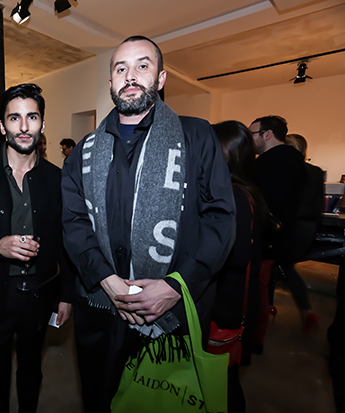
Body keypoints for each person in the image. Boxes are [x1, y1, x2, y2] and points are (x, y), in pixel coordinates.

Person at [61, 35, 236, 412]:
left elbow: (221, 218)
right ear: (110, 82)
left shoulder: (197, 136)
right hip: (101, 311)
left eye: (142, 66)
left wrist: (178, 285)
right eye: (120, 68)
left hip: (172, 315)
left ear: (160, 78)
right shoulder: (82, 152)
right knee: (100, 400)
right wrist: (107, 281)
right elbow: (73, 223)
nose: (130, 75)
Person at [0, 83, 73, 413]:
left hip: (39, 294)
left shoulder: (57, 178)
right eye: (15, 118)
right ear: (3, 122)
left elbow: (66, 240)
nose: (23, 127)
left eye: (32, 117)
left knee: (31, 369)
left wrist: (66, 294)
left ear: (42, 124)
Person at [211, 120, 267, 413]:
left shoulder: (233, 196)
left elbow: (235, 256)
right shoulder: (245, 191)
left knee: (222, 384)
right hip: (231, 302)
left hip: (226, 306)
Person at [249, 116, 319, 332]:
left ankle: (256, 338)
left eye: (252, 134)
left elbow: (267, 205)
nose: (248, 139)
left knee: (258, 288)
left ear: (267, 134)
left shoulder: (269, 163)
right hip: (284, 235)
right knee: (270, 280)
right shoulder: (297, 163)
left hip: (266, 238)